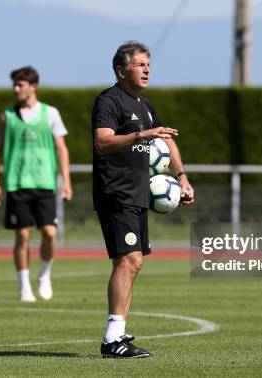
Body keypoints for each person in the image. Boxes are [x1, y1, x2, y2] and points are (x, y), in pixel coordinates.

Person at [92, 41, 195, 358]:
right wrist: (140, 135)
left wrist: (181, 178)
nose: (147, 69)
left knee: (131, 263)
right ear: (121, 70)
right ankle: (112, 340)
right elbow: (102, 143)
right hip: (116, 192)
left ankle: (118, 335)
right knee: (130, 260)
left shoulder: (145, 105)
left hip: (138, 194)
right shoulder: (109, 101)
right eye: (139, 64)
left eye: (148, 64)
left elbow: (165, 139)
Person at [0, 66, 72, 302]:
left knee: (49, 233)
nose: (16, 89)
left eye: (20, 85)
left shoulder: (50, 113)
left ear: (33, 86)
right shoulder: (8, 115)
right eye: (14, 85)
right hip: (17, 183)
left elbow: (61, 148)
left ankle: (44, 274)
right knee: (22, 237)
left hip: (44, 182)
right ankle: (24, 286)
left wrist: (66, 181)